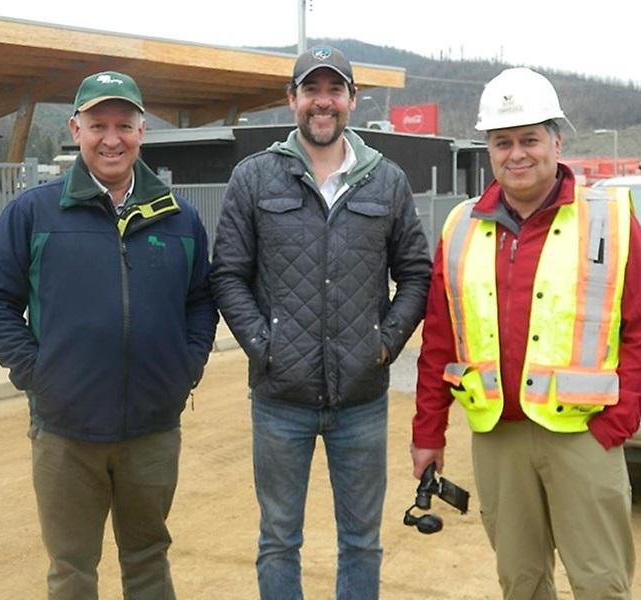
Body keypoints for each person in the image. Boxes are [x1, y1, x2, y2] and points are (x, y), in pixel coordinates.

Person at [411, 67, 641, 600]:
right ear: (488, 149)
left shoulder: (609, 219)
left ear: (556, 139)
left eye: (529, 138)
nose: (517, 154)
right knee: (521, 584)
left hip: (584, 437)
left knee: (601, 584)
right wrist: (428, 433)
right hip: (498, 438)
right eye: (503, 142)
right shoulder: (460, 227)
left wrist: (614, 427)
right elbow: (440, 339)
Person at [0, 70, 218, 599]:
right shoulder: (33, 212)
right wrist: (38, 375)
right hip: (65, 434)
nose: (112, 138)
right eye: (98, 124)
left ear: (142, 131)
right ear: (75, 129)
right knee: (71, 568)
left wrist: (186, 367)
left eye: (123, 125)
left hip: (152, 431)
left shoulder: (179, 219)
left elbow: (201, 301)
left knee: (149, 559)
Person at [210, 46, 430, 600]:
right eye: (312, 90)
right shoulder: (254, 178)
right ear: (292, 100)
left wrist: (383, 345)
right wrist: (265, 347)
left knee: (361, 542)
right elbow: (228, 275)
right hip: (280, 398)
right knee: (279, 539)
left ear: (352, 100)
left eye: (335, 90)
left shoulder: (386, 181)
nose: (322, 102)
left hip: (361, 398)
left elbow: (416, 274)